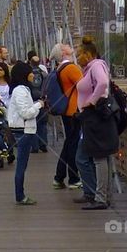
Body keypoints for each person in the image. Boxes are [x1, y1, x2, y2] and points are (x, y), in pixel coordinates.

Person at [74, 35, 118, 211]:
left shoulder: (97, 65)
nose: (77, 59)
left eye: (79, 55)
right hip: (93, 118)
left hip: (96, 118)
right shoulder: (91, 67)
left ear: (88, 54)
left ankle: (99, 197)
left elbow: (102, 83)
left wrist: (90, 102)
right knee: (95, 157)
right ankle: (97, 195)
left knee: (98, 158)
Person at [6, 61, 43, 205]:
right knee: (21, 165)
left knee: (22, 164)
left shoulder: (21, 89)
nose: (33, 74)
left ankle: (20, 194)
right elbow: (26, 113)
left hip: (23, 130)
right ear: (24, 74)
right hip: (23, 131)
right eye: (30, 72)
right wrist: (39, 105)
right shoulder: (21, 90)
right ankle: (20, 196)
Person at [48, 42, 83, 190]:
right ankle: (73, 178)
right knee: (73, 145)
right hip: (75, 110)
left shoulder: (60, 68)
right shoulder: (71, 68)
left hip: (67, 110)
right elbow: (84, 85)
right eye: (65, 45)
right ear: (63, 53)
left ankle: (59, 176)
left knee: (69, 143)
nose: (69, 45)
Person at [27, 49, 48, 152]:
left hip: (31, 101)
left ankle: (34, 147)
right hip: (42, 100)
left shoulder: (28, 74)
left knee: (32, 123)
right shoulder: (44, 74)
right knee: (42, 124)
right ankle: (43, 145)